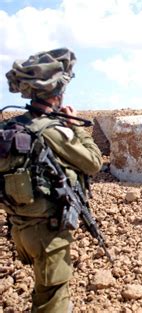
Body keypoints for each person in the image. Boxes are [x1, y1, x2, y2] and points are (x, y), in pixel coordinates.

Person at [1, 48, 102, 312]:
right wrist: (76, 127)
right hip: (48, 233)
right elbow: (93, 162)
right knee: (53, 300)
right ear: (58, 94)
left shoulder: (9, 129)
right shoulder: (54, 130)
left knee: (43, 291)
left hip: (19, 228)